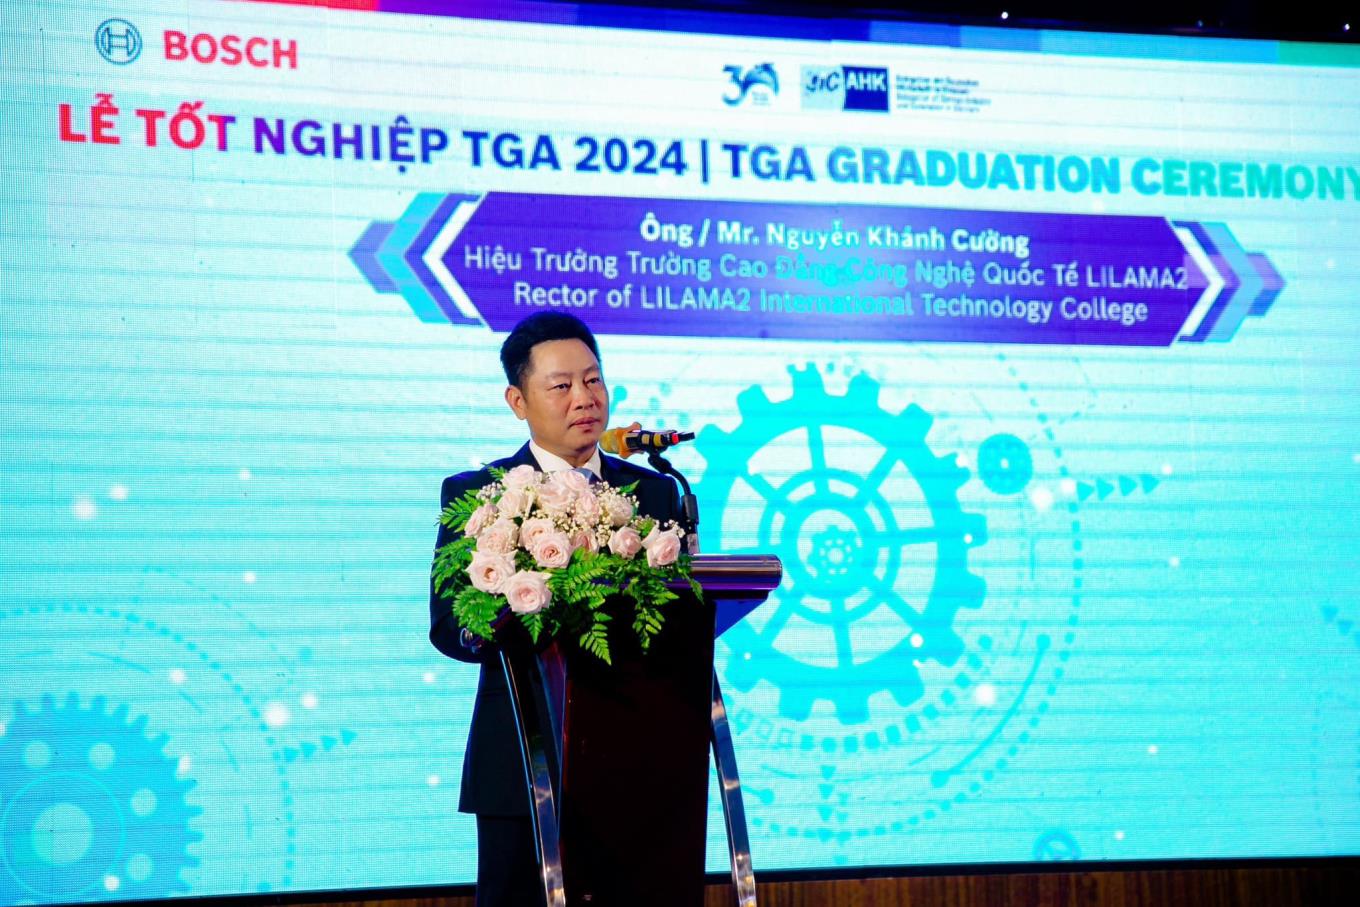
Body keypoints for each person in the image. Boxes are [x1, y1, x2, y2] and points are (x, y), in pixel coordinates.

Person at [428, 311, 682, 907]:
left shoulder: (654, 491)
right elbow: (448, 624)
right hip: (520, 758)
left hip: (635, 757)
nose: (584, 398)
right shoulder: (478, 495)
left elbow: (680, 618)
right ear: (518, 401)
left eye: (593, 380)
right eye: (562, 385)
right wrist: (495, 618)